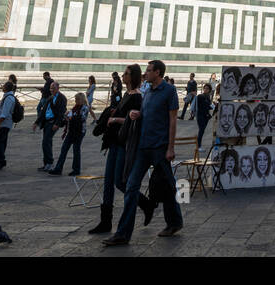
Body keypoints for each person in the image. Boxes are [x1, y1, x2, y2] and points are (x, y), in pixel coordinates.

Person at [107, 59, 183, 245]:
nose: (145, 74)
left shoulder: (169, 91)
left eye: (149, 71)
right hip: (142, 147)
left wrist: (170, 147)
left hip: (159, 147)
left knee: (169, 186)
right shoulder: (147, 91)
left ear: (158, 73)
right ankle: (123, 234)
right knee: (131, 187)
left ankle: (174, 222)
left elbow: (173, 120)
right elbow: (145, 113)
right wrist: (137, 114)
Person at [90, 64, 150, 236]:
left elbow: (135, 121)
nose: (123, 76)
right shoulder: (126, 94)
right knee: (108, 183)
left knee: (119, 182)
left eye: (126, 74)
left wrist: (116, 119)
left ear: (133, 77)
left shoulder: (138, 97)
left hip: (124, 144)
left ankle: (145, 203)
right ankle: (105, 221)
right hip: (113, 143)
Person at [49, 92, 89, 176]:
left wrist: (71, 117)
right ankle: (58, 168)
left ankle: (76, 169)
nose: (75, 101)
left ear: (81, 100)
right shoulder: (75, 107)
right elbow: (70, 117)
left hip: (79, 132)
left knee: (76, 150)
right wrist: (67, 116)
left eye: (76, 99)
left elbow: (82, 118)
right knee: (64, 149)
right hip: (71, 131)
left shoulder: (85, 108)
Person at [35, 80, 67, 170]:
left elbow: (61, 112)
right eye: (50, 88)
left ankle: (49, 163)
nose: (51, 90)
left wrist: (57, 123)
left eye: (53, 88)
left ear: (58, 88)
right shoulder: (50, 97)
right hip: (47, 122)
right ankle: (47, 163)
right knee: (46, 142)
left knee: (46, 141)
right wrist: (37, 122)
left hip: (53, 122)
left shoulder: (62, 98)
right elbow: (44, 111)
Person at [194, 83, 214, 149]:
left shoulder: (208, 97)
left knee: (202, 131)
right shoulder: (200, 96)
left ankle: (199, 145)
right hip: (200, 116)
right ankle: (198, 146)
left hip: (205, 116)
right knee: (201, 130)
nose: (205, 90)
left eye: (207, 89)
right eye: (205, 88)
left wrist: (212, 106)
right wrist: (211, 106)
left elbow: (208, 106)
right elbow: (204, 106)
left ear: (209, 90)